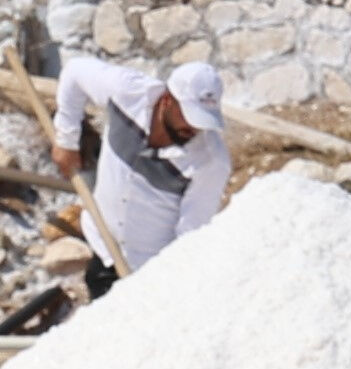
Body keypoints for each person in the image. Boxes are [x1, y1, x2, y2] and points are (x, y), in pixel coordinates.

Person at [52, 43, 233, 271]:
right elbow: (75, 71)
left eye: (202, 120)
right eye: (188, 116)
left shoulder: (211, 162)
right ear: (167, 100)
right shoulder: (127, 92)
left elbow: (191, 237)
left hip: (146, 271)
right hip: (101, 244)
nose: (194, 128)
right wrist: (67, 141)